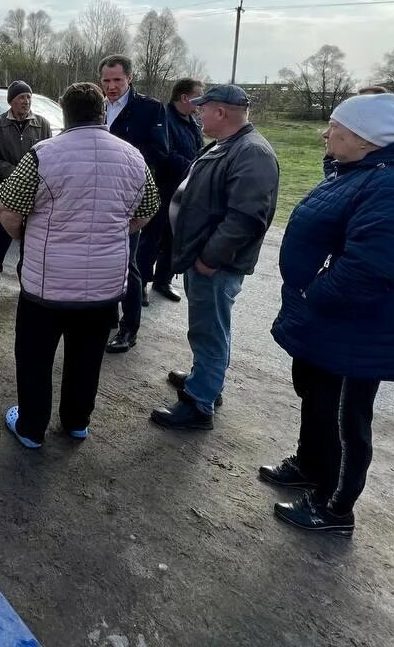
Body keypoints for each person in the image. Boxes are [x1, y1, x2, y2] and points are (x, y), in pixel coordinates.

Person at [266, 93, 394, 536]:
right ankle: (310, 465)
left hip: (359, 328)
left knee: (346, 418)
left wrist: (315, 291)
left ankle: (334, 507)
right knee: (317, 399)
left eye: (335, 128)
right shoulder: (361, 171)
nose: (325, 134)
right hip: (329, 319)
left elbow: (374, 269)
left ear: (364, 139)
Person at [0, 83, 158, 448]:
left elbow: (6, 207)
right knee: (87, 358)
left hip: (46, 286)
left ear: (64, 114)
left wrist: (25, 237)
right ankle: (76, 422)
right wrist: (114, 230)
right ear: (102, 112)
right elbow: (146, 211)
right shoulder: (133, 157)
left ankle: (32, 428)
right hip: (103, 289)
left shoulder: (43, 154)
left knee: (35, 358)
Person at [149, 84, 279, 430]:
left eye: (203, 108)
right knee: (208, 327)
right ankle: (205, 379)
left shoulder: (252, 153)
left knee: (210, 330)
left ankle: (199, 403)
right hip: (203, 258)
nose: (198, 113)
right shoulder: (228, 145)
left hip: (214, 265)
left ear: (220, 112)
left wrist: (209, 258)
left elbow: (246, 218)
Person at [98, 54, 163, 353]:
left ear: (130, 79)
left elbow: (158, 153)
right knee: (103, 259)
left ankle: (129, 328)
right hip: (98, 196)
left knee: (128, 264)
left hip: (129, 197)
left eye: (117, 80)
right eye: (107, 81)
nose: (111, 87)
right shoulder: (97, 107)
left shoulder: (149, 109)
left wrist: (125, 162)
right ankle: (107, 316)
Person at [0, 80, 53, 299]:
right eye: (21, 97)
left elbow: (50, 156)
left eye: (29, 96)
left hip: (33, 196)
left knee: (31, 242)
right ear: (12, 101)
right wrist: (19, 174)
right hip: (4, 193)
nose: (26, 101)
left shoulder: (42, 124)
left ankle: (27, 283)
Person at [139, 78, 205, 304]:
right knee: (152, 238)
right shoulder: (164, 119)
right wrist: (193, 168)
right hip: (163, 188)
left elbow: (198, 150)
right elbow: (163, 154)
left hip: (186, 189)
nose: (201, 101)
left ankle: (163, 280)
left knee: (174, 237)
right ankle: (141, 283)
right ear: (184, 97)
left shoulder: (192, 121)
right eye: (198, 95)